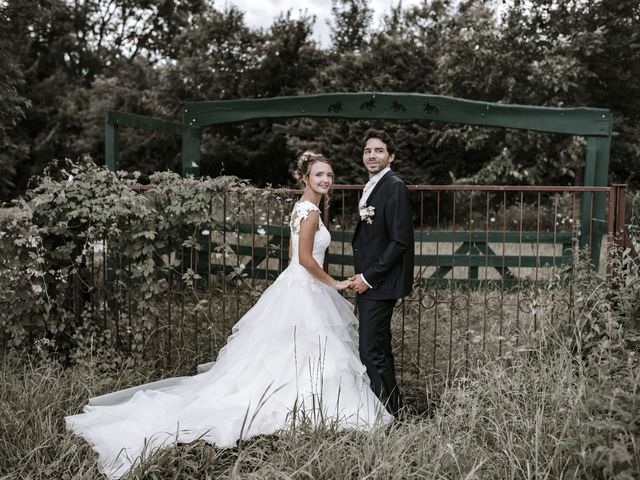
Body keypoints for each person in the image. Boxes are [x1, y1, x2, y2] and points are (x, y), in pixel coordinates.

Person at [65, 152, 392, 479]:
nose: (325, 180)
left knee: (295, 351)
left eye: (329, 175)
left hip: (300, 287)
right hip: (305, 287)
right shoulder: (309, 213)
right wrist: (334, 283)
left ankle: (303, 405)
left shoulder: (304, 209)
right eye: (319, 175)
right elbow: (305, 259)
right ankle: (302, 408)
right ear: (304, 178)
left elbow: (294, 256)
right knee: (306, 349)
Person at [349, 129, 414, 417]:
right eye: (367, 151)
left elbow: (400, 240)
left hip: (380, 282)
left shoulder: (394, 185)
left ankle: (387, 414)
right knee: (378, 347)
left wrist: (368, 277)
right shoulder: (374, 184)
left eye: (378, 150)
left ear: (391, 156)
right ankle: (393, 410)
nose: (372, 155)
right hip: (374, 280)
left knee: (370, 351)